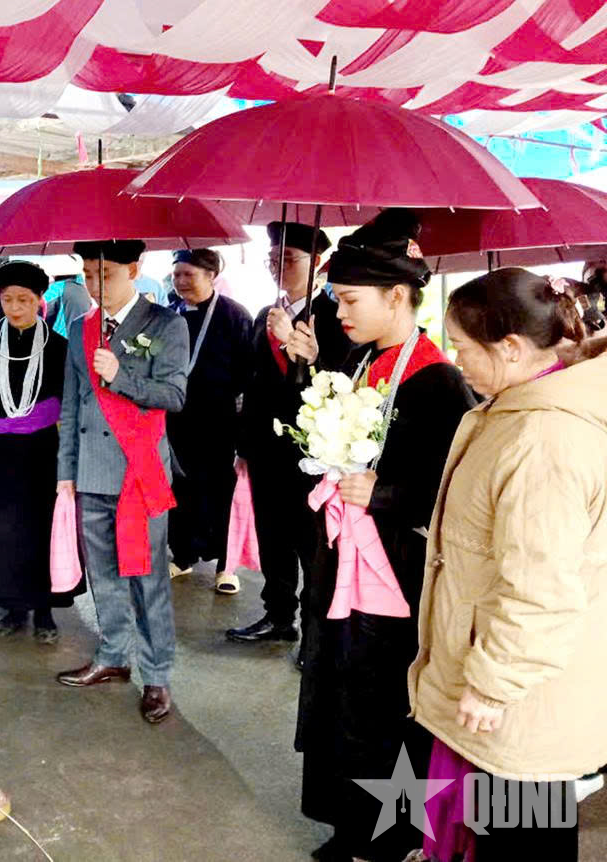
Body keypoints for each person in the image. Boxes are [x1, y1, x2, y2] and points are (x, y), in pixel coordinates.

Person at [293, 211, 476, 862]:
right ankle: (345, 821)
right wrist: (308, 374)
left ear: (397, 296)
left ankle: (390, 833)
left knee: (379, 703)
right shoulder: (358, 356)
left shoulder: (437, 380)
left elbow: (456, 492)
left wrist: (388, 495)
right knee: (338, 691)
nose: (338, 311)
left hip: (395, 571)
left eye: (349, 300)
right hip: (339, 558)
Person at [408, 268, 603, 862]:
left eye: (463, 347)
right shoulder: (519, 408)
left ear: (512, 349)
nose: (454, 359)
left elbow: (540, 588)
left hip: (520, 695)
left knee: (520, 836)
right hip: (510, 679)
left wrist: (493, 686)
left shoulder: (544, 438)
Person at [55, 240, 189, 724]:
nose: (96, 286)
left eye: (105, 275)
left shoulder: (167, 324)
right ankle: (114, 654)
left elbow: (174, 395)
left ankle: (156, 674)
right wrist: (65, 474)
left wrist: (120, 376)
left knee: (148, 580)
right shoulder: (79, 328)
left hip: (138, 472)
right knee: (103, 577)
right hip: (90, 471)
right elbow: (72, 406)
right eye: (88, 275)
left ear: (134, 269)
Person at [227, 222, 351, 644]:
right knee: (272, 538)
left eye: (289, 259)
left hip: (309, 450)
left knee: (310, 545)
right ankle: (278, 616)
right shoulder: (267, 313)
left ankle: (316, 633)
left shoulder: (335, 318)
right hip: (264, 448)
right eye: (272, 259)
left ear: (317, 264)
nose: (278, 266)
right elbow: (252, 382)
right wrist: (243, 445)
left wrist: (296, 348)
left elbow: (337, 383)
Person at [0, 261, 78, 642]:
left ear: (39, 300)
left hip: (41, 452)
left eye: (24, 300)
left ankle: (45, 611)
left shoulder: (59, 346)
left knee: (40, 528)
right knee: (2, 530)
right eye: (8, 299)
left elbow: (69, 401)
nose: (15, 307)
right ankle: (13, 608)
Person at [165, 249, 255, 590]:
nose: (181, 282)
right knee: (179, 489)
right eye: (177, 275)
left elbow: (248, 373)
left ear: (211, 276)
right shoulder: (167, 314)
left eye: (189, 275)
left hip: (219, 423)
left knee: (221, 492)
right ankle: (183, 555)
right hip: (176, 421)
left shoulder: (234, 315)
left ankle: (225, 566)